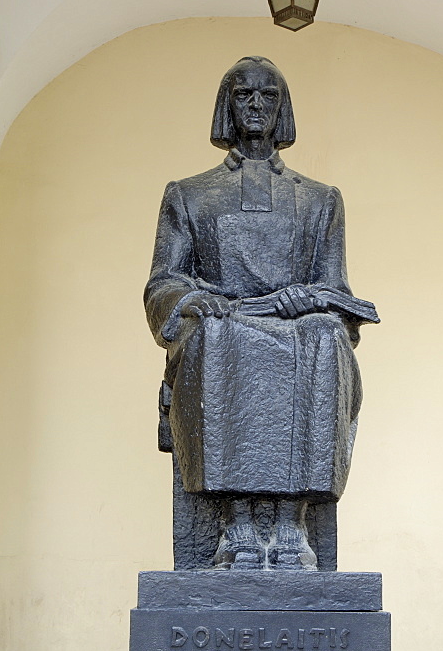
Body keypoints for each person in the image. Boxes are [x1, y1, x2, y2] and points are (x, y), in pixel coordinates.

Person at [144, 56, 378, 570]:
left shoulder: (320, 201)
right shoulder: (189, 195)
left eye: (267, 95)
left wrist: (312, 301)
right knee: (216, 337)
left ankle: (293, 525)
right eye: (243, 95)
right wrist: (192, 301)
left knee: (324, 338)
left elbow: (336, 291)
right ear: (227, 106)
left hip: (298, 327)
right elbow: (164, 281)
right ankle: (239, 523)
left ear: (282, 107)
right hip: (225, 323)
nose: (255, 106)